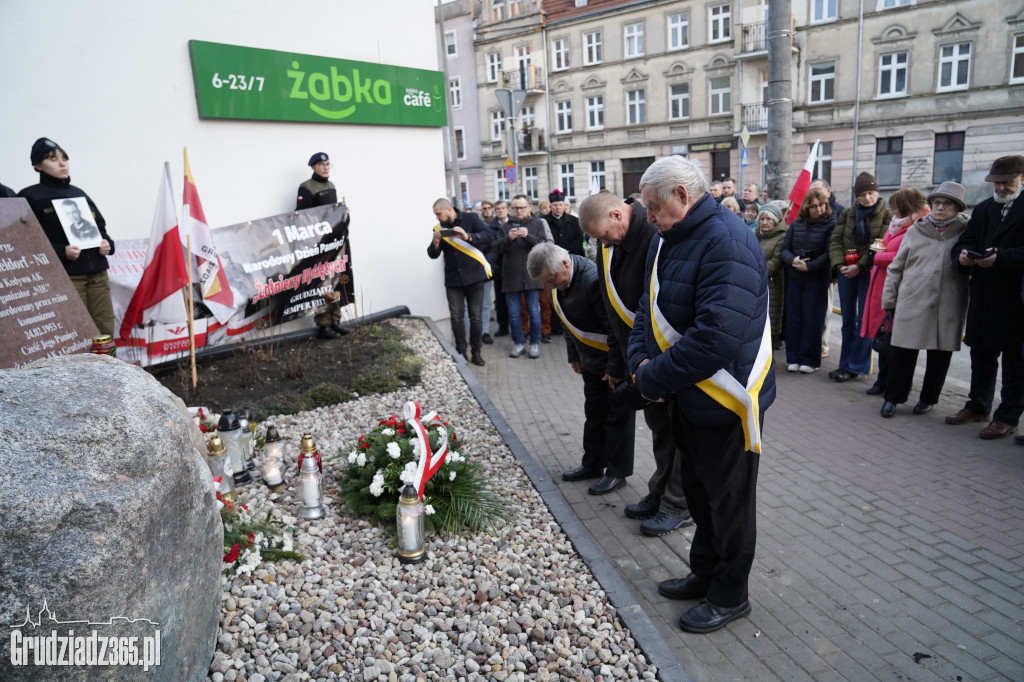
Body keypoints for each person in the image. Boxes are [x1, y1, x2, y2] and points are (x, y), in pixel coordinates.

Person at [628, 156, 775, 634]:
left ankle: (731, 594)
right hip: (684, 393)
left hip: (722, 398)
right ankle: (705, 572)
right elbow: (644, 311)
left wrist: (652, 378)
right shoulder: (668, 237)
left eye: (653, 208)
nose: (647, 218)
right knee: (697, 492)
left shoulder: (728, 241)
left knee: (728, 504)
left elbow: (717, 336)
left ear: (683, 197)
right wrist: (638, 362)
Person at [578, 192, 693, 536]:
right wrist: (619, 362)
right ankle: (658, 493)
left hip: (668, 355)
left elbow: (660, 302)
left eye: (602, 235)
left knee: (680, 433)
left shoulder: (656, 237)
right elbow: (614, 312)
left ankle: (678, 504)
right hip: (639, 359)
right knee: (660, 430)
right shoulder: (609, 244)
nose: (601, 243)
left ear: (617, 215)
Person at [528, 242, 635, 495]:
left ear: (565, 264)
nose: (552, 287)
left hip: (613, 363)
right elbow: (566, 321)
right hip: (590, 362)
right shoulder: (559, 280)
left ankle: (617, 472)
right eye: (547, 283)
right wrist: (573, 354)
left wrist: (615, 367)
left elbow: (615, 329)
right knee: (594, 414)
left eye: (553, 280)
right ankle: (593, 465)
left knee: (618, 417)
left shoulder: (593, 281)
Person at [948, 155, 1024, 439]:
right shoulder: (983, 209)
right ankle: (978, 406)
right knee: (981, 353)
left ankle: (1008, 415)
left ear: (1022, 179)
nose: (1001, 188)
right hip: (983, 293)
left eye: (1008, 182)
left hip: (1015, 297)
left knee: (1014, 361)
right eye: (997, 183)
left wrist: (1001, 257)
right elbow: (965, 242)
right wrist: (964, 257)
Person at [879, 182, 969, 418]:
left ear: (957, 207)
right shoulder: (916, 229)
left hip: (947, 302)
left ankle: (928, 399)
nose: (940, 207)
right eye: (936, 202)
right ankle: (893, 398)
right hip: (912, 299)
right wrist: (889, 301)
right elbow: (896, 268)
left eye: (947, 203)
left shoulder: (966, 230)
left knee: (940, 354)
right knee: (902, 353)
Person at [18, 138, 116, 336]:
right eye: (53, 159)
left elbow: (100, 228)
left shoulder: (79, 193)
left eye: (65, 158)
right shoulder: (29, 197)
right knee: (76, 331)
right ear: (37, 165)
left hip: (97, 274)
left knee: (104, 329)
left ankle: (108, 367)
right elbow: (23, 243)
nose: (62, 163)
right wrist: (61, 252)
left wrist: (108, 244)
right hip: (66, 276)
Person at [861, 188, 930, 396]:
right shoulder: (898, 223)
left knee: (895, 339)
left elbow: (906, 256)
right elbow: (886, 244)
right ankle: (882, 381)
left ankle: (893, 383)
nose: (892, 210)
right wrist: (876, 249)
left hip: (901, 287)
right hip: (884, 284)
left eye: (895, 206)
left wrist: (877, 257)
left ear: (906, 206)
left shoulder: (920, 225)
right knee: (883, 334)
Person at [828, 172, 893, 382]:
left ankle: (858, 365)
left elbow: (880, 244)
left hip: (869, 272)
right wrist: (840, 265)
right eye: (862, 194)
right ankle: (844, 364)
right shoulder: (848, 214)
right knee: (847, 321)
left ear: (877, 192)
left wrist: (860, 264)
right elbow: (836, 240)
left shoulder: (887, 215)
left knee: (863, 320)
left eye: (871, 193)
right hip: (847, 271)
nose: (867, 198)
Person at [427, 198, 493, 366]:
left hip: (474, 277)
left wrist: (468, 237)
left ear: (449, 209)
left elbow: (488, 236)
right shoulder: (439, 229)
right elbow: (433, 255)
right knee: (456, 317)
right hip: (453, 280)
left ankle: (476, 352)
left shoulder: (470, 219)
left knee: (475, 317)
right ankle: (461, 352)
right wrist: (435, 244)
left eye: (438, 214)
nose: (437, 218)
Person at [780, 189, 837, 372]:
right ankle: (794, 358)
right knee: (794, 319)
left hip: (817, 279)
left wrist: (810, 266)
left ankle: (810, 360)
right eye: (814, 206)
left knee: (813, 320)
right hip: (795, 277)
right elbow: (785, 248)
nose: (818, 209)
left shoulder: (831, 224)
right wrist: (792, 260)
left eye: (821, 205)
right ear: (807, 207)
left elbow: (830, 253)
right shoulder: (797, 224)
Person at [495, 194, 550, 359]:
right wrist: (509, 239)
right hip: (511, 277)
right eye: (516, 208)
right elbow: (497, 249)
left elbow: (544, 246)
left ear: (529, 208)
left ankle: (534, 344)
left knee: (534, 312)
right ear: (511, 209)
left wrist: (528, 236)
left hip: (532, 276)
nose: (519, 211)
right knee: (513, 313)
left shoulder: (538, 223)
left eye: (522, 207)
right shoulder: (505, 227)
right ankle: (518, 343)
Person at [810, 178, 844, 358]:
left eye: (817, 189)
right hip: (809, 271)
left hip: (827, 270)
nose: (814, 193)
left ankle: (823, 345)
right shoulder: (807, 212)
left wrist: (834, 271)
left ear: (828, 191)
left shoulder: (839, 212)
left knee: (826, 309)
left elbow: (837, 245)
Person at [756, 203, 787, 351]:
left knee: (771, 318)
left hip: (772, 285)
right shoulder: (755, 235)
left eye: (768, 219)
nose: (764, 222)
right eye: (762, 219)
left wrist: (753, 272)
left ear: (775, 220)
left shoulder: (781, 237)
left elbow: (775, 263)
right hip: (754, 283)